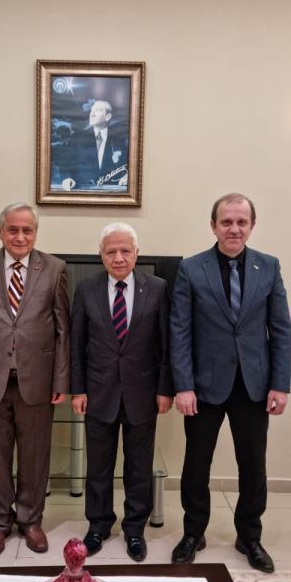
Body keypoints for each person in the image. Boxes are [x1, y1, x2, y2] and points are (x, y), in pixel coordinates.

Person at [169, 193, 291, 572]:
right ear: (213, 226)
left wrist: (280, 384)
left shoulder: (268, 267)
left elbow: (281, 329)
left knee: (253, 464)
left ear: (252, 226)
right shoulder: (191, 268)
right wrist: (183, 385)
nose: (234, 229)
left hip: (254, 386)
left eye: (241, 222)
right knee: (196, 465)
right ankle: (193, 533)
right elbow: (179, 331)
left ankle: (249, 536)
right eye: (226, 222)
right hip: (204, 386)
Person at [0, 202, 70, 557]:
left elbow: (63, 330)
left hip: (37, 380)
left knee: (35, 455)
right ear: (0, 232)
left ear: (35, 233)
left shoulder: (55, 268)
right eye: (13, 230)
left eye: (27, 230)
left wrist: (61, 381)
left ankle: (30, 520)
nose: (20, 237)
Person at [70, 223, 173, 562]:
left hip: (142, 393)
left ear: (136, 254)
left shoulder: (157, 288)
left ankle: (134, 529)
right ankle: (98, 525)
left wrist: (165, 389)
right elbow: (76, 344)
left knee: (139, 466)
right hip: (98, 392)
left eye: (125, 251)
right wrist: (77, 389)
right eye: (111, 251)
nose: (118, 257)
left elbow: (165, 345)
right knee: (98, 466)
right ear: (101, 256)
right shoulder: (86, 289)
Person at [67, 100, 128, 189]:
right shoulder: (77, 138)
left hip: (112, 191)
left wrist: (128, 176)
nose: (92, 114)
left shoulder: (120, 139)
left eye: (98, 110)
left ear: (108, 116)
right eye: (91, 110)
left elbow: (129, 163)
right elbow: (66, 163)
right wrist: (67, 178)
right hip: (84, 190)